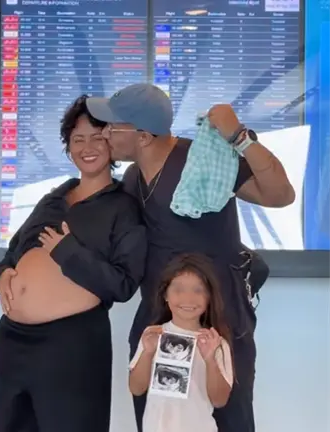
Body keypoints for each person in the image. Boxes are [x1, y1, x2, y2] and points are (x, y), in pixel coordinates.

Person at [85, 83, 295, 432]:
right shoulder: (134, 177)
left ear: (142, 136)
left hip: (218, 317)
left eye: (112, 127)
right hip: (161, 318)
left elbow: (280, 195)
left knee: (227, 415)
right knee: (160, 418)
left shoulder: (202, 161)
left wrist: (239, 137)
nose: (105, 134)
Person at [0, 95, 147, 431]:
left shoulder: (123, 207)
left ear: (112, 142)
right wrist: (1, 276)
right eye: (78, 139)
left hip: (71, 344)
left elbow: (123, 285)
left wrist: (68, 251)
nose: (87, 147)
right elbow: (12, 254)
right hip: (14, 341)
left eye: (97, 137)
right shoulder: (54, 197)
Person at [129, 253, 234, 432]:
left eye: (198, 290)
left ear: (209, 297)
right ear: (165, 294)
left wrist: (210, 360)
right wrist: (147, 353)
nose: (188, 298)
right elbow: (136, 389)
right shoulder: (153, 335)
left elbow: (219, 400)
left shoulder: (215, 342)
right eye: (178, 289)